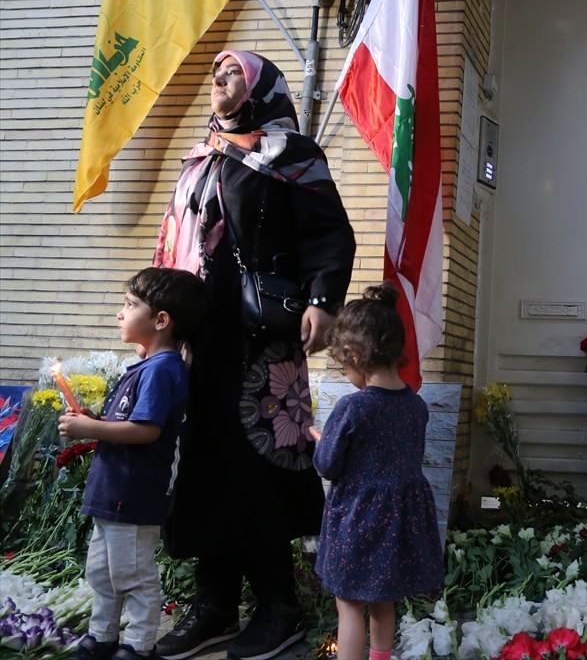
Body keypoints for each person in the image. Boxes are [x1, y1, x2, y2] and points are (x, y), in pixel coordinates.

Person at [153, 51, 356, 660]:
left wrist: (322, 300)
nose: (219, 81)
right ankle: (213, 606)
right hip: (202, 340)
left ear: (261, 87)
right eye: (215, 75)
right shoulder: (202, 158)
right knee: (206, 465)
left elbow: (329, 233)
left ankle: (278, 607)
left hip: (264, 341)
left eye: (232, 72)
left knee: (259, 469)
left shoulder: (291, 155)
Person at [60, 267, 207, 660]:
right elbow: (128, 424)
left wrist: (91, 427)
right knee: (103, 573)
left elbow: (145, 431)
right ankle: (102, 636)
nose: (120, 314)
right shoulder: (147, 367)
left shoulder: (162, 370)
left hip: (135, 494)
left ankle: (139, 646)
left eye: (130, 305)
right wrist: (97, 422)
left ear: (161, 320)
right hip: (113, 491)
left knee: (134, 576)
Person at [310, 283, 444, 660]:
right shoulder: (416, 405)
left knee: (349, 602)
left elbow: (328, 465)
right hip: (399, 520)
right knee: (385, 600)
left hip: (358, 516)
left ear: (352, 354)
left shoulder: (353, 408)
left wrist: (323, 441)